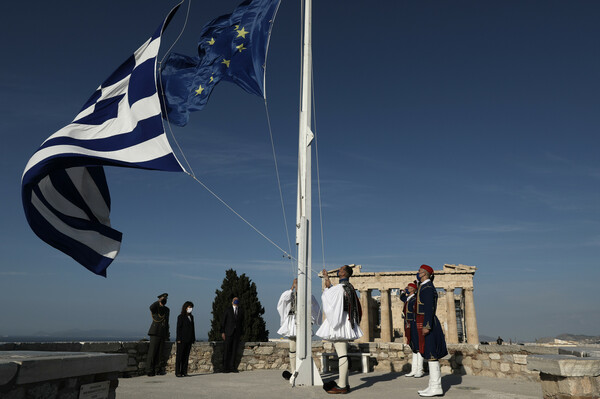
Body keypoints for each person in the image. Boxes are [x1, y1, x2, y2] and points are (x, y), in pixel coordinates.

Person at [316, 265, 363, 394]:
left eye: (341, 269)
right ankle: (345, 384)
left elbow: (328, 296)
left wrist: (326, 289)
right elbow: (333, 292)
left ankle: (342, 386)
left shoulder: (341, 287)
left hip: (340, 322)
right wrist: (327, 278)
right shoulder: (348, 287)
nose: (338, 270)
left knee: (342, 354)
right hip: (346, 320)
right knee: (343, 354)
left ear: (345, 273)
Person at [277, 278, 321, 383]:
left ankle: (303, 371)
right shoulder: (289, 295)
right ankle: (293, 372)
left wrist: (312, 320)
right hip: (292, 323)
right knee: (292, 347)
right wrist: (292, 287)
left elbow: (315, 308)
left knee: (304, 348)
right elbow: (282, 301)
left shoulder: (309, 296)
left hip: (303, 322)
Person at [415, 265, 448, 397]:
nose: (417, 273)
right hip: (424, 321)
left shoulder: (427, 288)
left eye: (419, 271)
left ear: (424, 273)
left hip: (428, 323)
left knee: (432, 354)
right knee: (429, 354)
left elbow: (429, 308)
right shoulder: (423, 286)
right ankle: (432, 385)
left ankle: (436, 387)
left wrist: (426, 325)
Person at [401, 282, 424, 378]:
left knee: (419, 346)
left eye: (409, 288)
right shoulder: (408, 299)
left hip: (414, 323)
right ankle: (414, 370)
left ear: (413, 289)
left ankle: (420, 369)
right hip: (409, 324)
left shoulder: (415, 299)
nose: (407, 289)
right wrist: (402, 291)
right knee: (413, 347)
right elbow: (402, 297)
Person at [147, 293, 170, 376]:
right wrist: (158, 302)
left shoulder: (167, 309)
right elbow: (151, 307)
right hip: (155, 332)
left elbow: (167, 322)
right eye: (163, 298)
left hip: (162, 332)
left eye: (166, 299)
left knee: (160, 353)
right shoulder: (156, 307)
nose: (165, 300)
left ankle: (158, 369)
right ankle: (150, 370)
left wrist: (166, 333)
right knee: (152, 352)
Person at [220, 296, 244, 373]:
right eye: (234, 300)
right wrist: (222, 332)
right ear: (232, 302)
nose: (236, 301)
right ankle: (225, 367)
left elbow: (242, 322)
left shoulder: (240, 310)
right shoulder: (228, 310)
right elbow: (223, 321)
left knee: (234, 351)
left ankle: (232, 367)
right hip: (228, 333)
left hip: (236, 334)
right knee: (227, 350)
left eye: (237, 300)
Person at [175, 301, 196, 377]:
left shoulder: (191, 317)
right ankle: (178, 372)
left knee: (186, 356)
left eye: (191, 307)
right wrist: (178, 339)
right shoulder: (180, 317)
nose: (191, 309)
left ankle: (184, 371)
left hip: (189, 339)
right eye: (189, 307)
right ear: (185, 307)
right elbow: (178, 328)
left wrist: (193, 338)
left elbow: (192, 328)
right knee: (180, 356)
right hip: (182, 340)